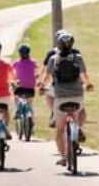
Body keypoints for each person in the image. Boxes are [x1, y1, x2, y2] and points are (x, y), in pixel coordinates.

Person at [39, 30, 94, 166]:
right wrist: (88, 85)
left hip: (60, 98)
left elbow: (46, 78)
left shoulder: (53, 59)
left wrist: (41, 86)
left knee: (60, 130)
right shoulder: (78, 58)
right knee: (77, 113)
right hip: (77, 96)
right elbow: (84, 77)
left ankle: (64, 157)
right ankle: (77, 128)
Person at [12, 43, 39, 118]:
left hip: (20, 87)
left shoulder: (16, 62)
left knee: (16, 97)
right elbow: (36, 73)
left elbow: (12, 73)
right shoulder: (33, 62)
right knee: (30, 104)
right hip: (30, 88)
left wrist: (14, 80)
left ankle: (17, 109)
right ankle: (31, 122)